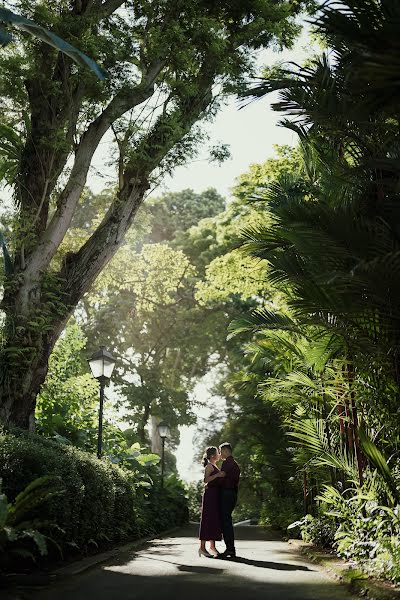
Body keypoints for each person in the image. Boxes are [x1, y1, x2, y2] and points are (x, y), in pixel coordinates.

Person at [198, 446, 226, 557]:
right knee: (207, 519)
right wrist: (218, 475)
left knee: (214, 520)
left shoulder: (214, 465)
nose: (219, 454)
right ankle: (202, 548)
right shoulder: (209, 466)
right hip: (210, 496)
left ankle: (212, 547)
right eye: (218, 453)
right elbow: (205, 480)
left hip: (215, 495)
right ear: (213, 455)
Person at [216, 442, 240, 559]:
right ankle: (230, 548)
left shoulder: (227, 463)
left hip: (227, 493)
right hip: (232, 494)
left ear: (225, 451)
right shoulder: (235, 463)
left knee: (226, 522)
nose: (220, 454)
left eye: (220, 452)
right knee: (227, 521)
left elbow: (221, 478)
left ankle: (230, 549)